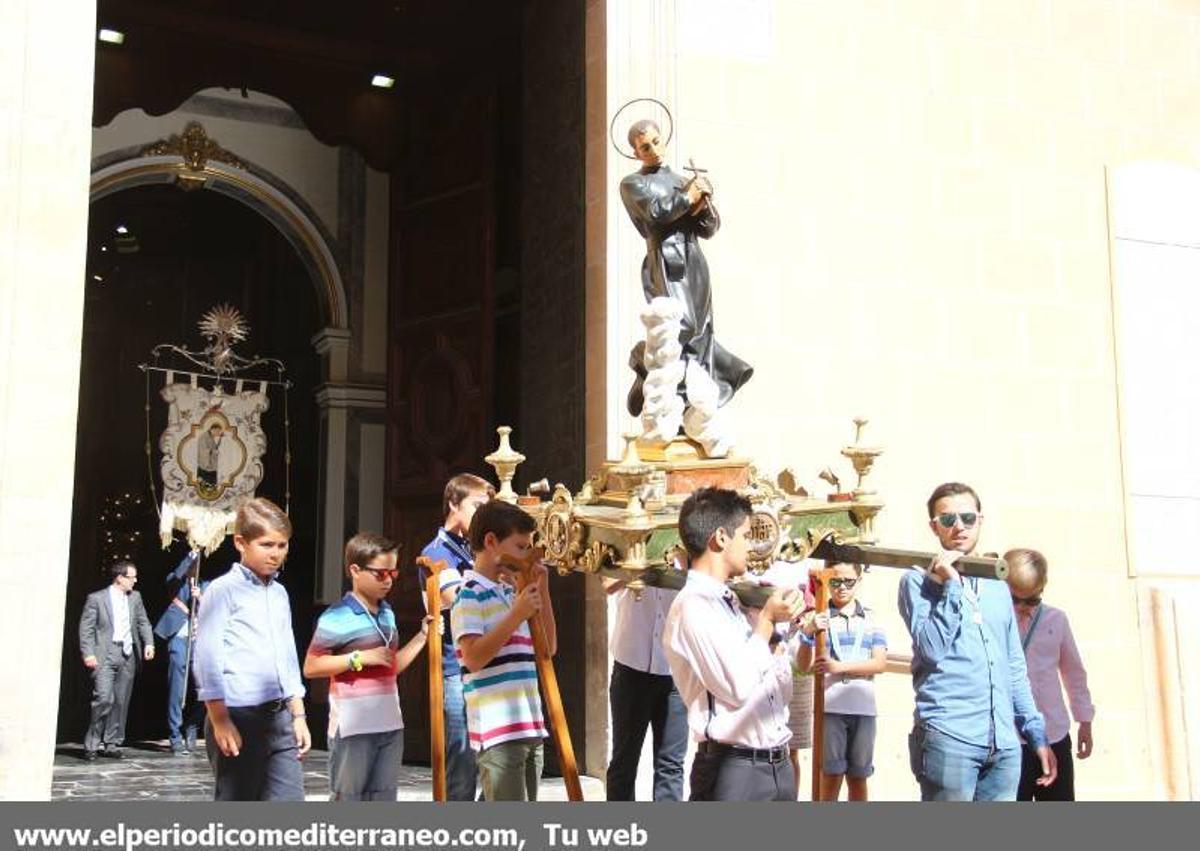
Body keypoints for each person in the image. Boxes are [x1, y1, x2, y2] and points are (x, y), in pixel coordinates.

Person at [898, 482, 1056, 801]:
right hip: (950, 735)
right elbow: (930, 650)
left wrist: (1035, 733)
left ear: (980, 520)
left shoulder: (997, 585)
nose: (959, 526)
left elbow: (1013, 666)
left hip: (1003, 743)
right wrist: (951, 587)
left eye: (968, 518)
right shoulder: (916, 580)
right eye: (948, 520)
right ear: (934, 527)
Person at [662, 487, 803, 801]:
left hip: (776, 762)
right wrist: (765, 622)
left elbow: (780, 693)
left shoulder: (734, 601)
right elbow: (736, 686)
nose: (750, 546)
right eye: (745, 535)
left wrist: (776, 630)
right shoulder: (692, 605)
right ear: (720, 538)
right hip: (734, 769)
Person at [619, 119, 752, 417]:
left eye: (655, 141)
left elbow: (708, 228)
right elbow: (654, 214)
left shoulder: (681, 179)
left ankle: (689, 404)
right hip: (665, 260)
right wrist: (686, 197)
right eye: (644, 147)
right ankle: (644, 363)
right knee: (683, 326)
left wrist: (704, 203)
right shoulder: (633, 184)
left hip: (693, 258)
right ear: (636, 153)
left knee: (701, 331)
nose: (652, 149)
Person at [192, 497, 310, 800]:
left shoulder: (280, 593)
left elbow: (286, 653)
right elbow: (207, 658)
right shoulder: (222, 590)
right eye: (267, 545)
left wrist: (298, 715)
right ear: (241, 542)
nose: (276, 554)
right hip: (238, 713)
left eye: (282, 546)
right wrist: (219, 719)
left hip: (279, 715)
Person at [304, 532, 433, 801]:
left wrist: (423, 636)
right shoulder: (337, 616)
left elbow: (391, 667)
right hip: (353, 727)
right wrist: (358, 658)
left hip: (389, 724)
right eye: (380, 573)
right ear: (355, 570)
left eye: (393, 574)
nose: (388, 581)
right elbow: (312, 666)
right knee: (348, 800)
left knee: (384, 799)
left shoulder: (387, 613)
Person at [450, 500, 557, 801]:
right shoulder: (469, 595)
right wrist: (516, 615)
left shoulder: (512, 594)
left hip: (530, 726)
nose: (527, 556)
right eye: (521, 547)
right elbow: (472, 658)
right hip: (498, 730)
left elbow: (548, 647)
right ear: (491, 542)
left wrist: (542, 589)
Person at [418, 473, 494, 801]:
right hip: (455, 668)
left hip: (490, 665)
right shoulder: (437, 552)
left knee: (493, 761)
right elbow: (456, 599)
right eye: (476, 505)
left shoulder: (479, 549)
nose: (482, 513)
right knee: (461, 765)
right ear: (453, 503)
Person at [1005, 547, 1095, 801]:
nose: (1023, 608)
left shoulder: (1056, 619)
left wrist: (1084, 720)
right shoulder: (995, 621)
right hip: (1010, 739)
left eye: (1031, 600)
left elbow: (1074, 673)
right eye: (1015, 600)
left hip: (1053, 732)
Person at [798, 562, 887, 801]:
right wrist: (808, 633)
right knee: (831, 776)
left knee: (859, 777)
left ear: (859, 580)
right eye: (835, 582)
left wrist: (839, 667)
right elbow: (803, 666)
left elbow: (879, 663)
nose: (842, 588)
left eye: (849, 582)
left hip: (863, 708)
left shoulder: (871, 618)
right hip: (830, 709)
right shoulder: (819, 616)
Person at [601, 569, 686, 801]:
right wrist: (637, 564)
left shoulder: (686, 547)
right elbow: (607, 583)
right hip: (632, 664)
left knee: (671, 765)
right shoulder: (628, 542)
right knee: (624, 762)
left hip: (675, 668)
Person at [79, 560, 155, 760]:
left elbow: (142, 622)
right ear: (120, 578)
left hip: (127, 654)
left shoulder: (135, 598)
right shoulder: (96, 599)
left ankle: (112, 743)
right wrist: (88, 653)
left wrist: (149, 643)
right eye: (132, 577)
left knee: (121, 701)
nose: (135, 581)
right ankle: (92, 743)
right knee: (103, 698)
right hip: (105, 653)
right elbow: (86, 629)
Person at [152, 550, 208, 755]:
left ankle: (192, 724)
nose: (193, 566)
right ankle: (175, 736)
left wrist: (200, 597)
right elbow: (176, 575)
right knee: (176, 688)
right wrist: (192, 554)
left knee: (207, 688)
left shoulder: (206, 586)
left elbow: (216, 609)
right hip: (179, 639)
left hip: (199, 642)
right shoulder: (176, 582)